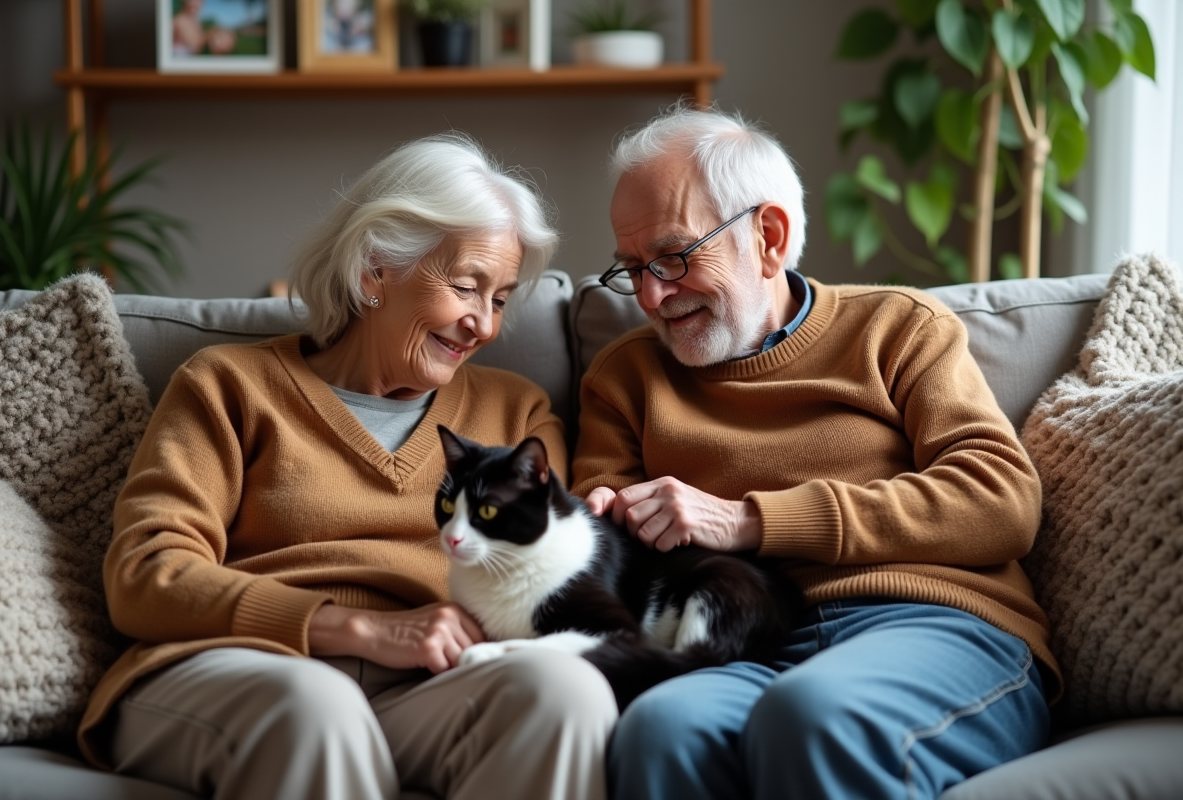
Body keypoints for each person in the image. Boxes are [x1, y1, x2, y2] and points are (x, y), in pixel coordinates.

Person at [77, 133, 617, 800]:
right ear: (373, 271)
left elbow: (559, 572)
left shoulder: (517, 416)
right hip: (246, 666)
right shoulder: (229, 385)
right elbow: (144, 574)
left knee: (566, 692)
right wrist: (355, 627)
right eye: (465, 287)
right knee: (317, 707)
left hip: (429, 688)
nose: (482, 324)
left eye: (500, 299)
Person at [572, 105, 1061, 800]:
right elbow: (596, 543)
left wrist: (749, 520)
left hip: (933, 624)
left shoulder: (897, 328)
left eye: (674, 257)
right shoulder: (624, 378)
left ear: (767, 237)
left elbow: (1001, 503)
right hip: (749, 643)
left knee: (811, 715)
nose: (651, 295)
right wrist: (597, 527)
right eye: (633, 269)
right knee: (661, 727)